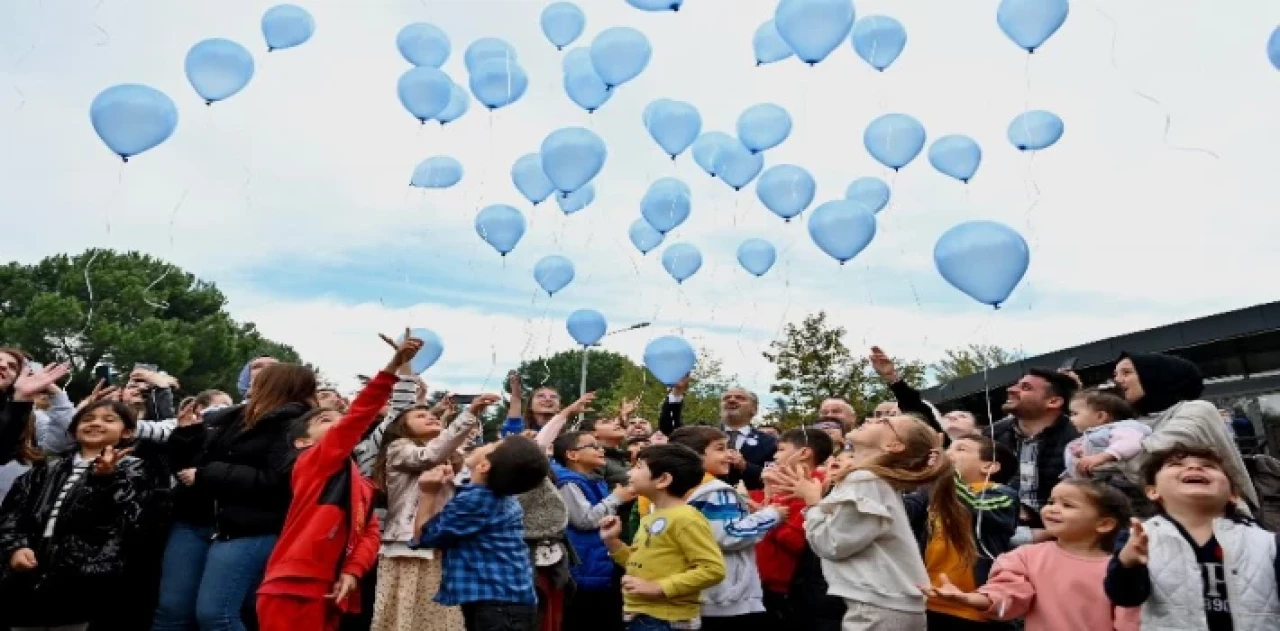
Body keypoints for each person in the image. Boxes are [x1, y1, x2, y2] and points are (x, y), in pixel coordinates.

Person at [255, 333, 423, 631]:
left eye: (338, 418)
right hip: (293, 585)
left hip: (334, 587)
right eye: (325, 421)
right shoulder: (312, 463)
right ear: (302, 442)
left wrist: (353, 571)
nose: (338, 424)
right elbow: (356, 418)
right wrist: (392, 367)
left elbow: (370, 532)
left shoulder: (362, 483)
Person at [155, 362, 318, 631]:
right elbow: (184, 468)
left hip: (246, 528)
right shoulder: (226, 418)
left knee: (216, 616)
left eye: (261, 374)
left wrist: (209, 474)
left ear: (277, 383)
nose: (251, 377)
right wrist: (186, 435)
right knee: (171, 613)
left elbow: (276, 481)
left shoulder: (296, 426)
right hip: (194, 519)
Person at [771, 414, 973, 629]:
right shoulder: (872, 480)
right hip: (891, 606)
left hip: (880, 608)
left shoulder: (865, 480)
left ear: (893, 445)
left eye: (885, 422)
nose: (870, 419)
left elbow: (831, 544)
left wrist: (812, 503)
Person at [0, 400, 153, 630]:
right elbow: (12, 514)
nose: (96, 424)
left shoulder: (135, 471)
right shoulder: (44, 470)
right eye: (87, 419)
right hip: (30, 573)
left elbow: (126, 522)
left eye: (108, 419)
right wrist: (15, 547)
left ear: (128, 432)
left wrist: (103, 481)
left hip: (84, 582)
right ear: (73, 430)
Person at [922, 479, 1140, 631]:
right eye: (1051, 502)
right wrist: (974, 598)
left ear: (1104, 524)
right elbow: (1009, 593)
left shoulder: (1121, 569)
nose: (1052, 509)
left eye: (1068, 505)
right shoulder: (1026, 556)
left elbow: (1129, 619)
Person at [1105, 447, 1280, 629]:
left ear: (1233, 495)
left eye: (1209, 466)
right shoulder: (1138, 537)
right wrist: (1127, 565)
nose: (1194, 467)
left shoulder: (1267, 542)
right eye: (1176, 464)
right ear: (1152, 491)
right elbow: (1125, 597)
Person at [371, 393, 487, 631]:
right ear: (402, 428)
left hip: (439, 543)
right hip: (406, 545)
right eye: (421, 416)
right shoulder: (399, 447)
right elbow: (430, 455)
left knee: (438, 615)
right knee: (404, 612)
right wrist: (469, 414)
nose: (430, 418)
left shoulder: (448, 457)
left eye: (433, 415)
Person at [413, 434, 550, 631]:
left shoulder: (477, 500)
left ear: (484, 466)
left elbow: (425, 536)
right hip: (506, 602)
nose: (485, 444)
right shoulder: (495, 495)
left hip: (498, 607)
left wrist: (428, 493)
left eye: (492, 445)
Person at [598, 444, 727, 631]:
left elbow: (713, 569)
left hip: (666, 620)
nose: (629, 473)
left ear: (663, 479)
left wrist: (659, 587)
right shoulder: (651, 517)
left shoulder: (686, 518)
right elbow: (640, 564)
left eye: (639, 467)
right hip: (642, 616)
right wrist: (613, 542)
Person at [1112, 353, 1259, 516]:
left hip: (1218, 519)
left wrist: (1106, 456)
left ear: (1155, 376)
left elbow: (1154, 453)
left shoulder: (1198, 410)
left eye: (1126, 373)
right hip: (1157, 525)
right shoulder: (1133, 421)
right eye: (1115, 375)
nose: (1117, 380)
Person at [669, 426, 782, 630]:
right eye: (720, 449)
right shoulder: (717, 492)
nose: (729, 454)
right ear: (694, 456)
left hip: (690, 591)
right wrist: (771, 515)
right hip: (725, 597)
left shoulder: (671, 492)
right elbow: (729, 534)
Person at [909, 435, 1019, 630]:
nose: (948, 453)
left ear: (989, 466)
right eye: (949, 448)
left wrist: (945, 472)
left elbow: (974, 505)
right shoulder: (932, 494)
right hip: (928, 601)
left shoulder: (1002, 494)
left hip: (972, 608)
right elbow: (904, 510)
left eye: (961, 449)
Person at [551, 431, 634, 631]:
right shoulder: (568, 483)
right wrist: (617, 498)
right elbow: (584, 520)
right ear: (572, 455)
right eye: (593, 446)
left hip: (598, 562)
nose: (600, 449)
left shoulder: (592, 479)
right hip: (583, 566)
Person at [987, 369, 1080, 544]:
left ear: (1053, 401)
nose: (1011, 389)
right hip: (1001, 533)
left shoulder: (1078, 437)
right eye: (1016, 384)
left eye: (1026, 387)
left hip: (1065, 538)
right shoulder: (992, 435)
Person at [754, 428, 834, 625]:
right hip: (768, 582)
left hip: (787, 587)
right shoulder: (786, 484)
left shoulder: (811, 485)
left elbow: (798, 542)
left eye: (781, 449)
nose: (775, 456)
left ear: (804, 453)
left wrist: (769, 521)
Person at [658, 377, 776, 491]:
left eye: (740, 398)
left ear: (754, 409)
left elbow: (775, 478)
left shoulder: (770, 443)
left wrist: (745, 466)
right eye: (726, 398)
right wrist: (677, 392)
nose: (731, 400)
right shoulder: (702, 433)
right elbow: (670, 428)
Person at [1064, 390, 1148, 479]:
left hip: (1121, 481)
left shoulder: (1121, 428)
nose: (1071, 419)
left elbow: (1131, 443)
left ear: (1100, 416)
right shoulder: (1083, 438)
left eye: (1075, 414)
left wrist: (1103, 457)